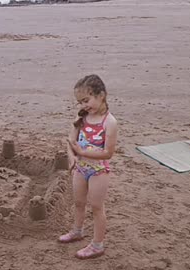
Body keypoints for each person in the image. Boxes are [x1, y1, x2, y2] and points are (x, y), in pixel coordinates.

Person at [58, 74, 118, 259]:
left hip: (98, 171)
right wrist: (71, 157)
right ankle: (77, 231)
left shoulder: (109, 122)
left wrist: (82, 153)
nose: (84, 105)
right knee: (78, 203)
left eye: (86, 100)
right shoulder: (82, 117)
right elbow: (71, 140)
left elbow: (108, 153)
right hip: (80, 169)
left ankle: (97, 245)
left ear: (101, 95)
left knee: (96, 207)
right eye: (80, 102)